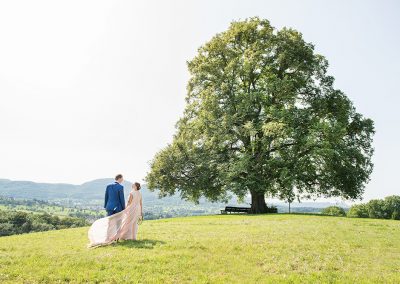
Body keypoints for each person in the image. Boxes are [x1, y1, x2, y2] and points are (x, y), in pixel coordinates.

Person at [88, 180, 143, 247]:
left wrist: (125, 209)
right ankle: (133, 237)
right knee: (134, 223)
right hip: (137, 209)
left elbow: (129, 202)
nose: (132, 185)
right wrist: (141, 212)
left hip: (131, 209)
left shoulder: (132, 192)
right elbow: (140, 203)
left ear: (136, 186)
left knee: (126, 223)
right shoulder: (140, 193)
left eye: (133, 185)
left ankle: (120, 236)